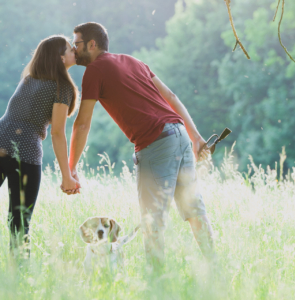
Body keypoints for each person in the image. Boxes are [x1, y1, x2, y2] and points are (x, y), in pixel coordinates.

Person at [65, 22, 214, 266]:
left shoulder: (94, 70)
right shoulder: (133, 61)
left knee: (152, 221)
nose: (74, 48)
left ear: (92, 44)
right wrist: (195, 137)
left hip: (155, 143)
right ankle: (216, 269)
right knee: (195, 211)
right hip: (180, 136)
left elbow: (81, 124)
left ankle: (157, 283)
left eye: (77, 43)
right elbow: (172, 97)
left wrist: (71, 168)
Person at [0, 35, 80, 253]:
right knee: (19, 222)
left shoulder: (28, 79)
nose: (75, 50)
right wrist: (66, 175)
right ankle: (20, 277)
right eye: (70, 49)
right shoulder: (61, 87)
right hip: (24, 152)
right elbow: (57, 132)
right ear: (61, 58)